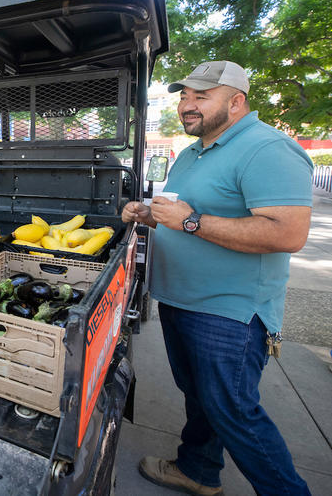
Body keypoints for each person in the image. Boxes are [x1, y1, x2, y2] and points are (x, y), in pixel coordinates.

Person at [121, 61, 312, 496]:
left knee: (234, 413)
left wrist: (190, 222)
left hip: (229, 311)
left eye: (201, 96)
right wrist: (149, 216)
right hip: (181, 300)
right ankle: (199, 470)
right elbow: (188, 215)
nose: (187, 105)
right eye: (184, 96)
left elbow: (287, 232)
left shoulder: (268, 148)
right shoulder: (193, 151)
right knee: (200, 398)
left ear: (236, 100)